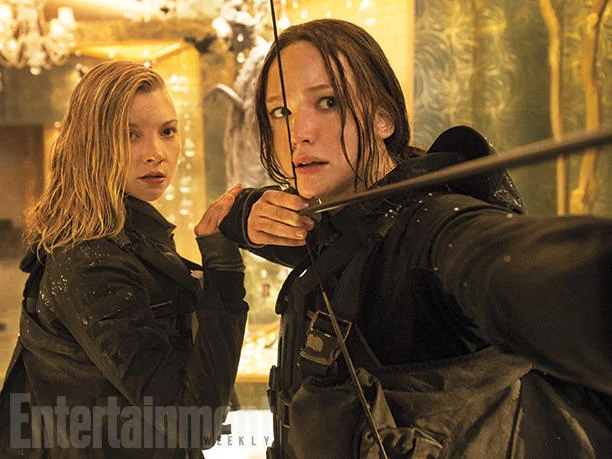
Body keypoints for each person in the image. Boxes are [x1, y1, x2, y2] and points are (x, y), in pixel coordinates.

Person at [217, 19, 612, 458]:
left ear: (383, 118)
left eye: (328, 102)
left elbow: (513, 266)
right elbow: (277, 230)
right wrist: (243, 211)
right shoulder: (334, 223)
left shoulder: (434, 228)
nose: (299, 133)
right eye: (281, 112)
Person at [0, 61, 247, 458]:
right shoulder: (91, 260)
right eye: (129, 135)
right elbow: (194, 423)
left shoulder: (126, 236)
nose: (156, 154)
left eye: (167, 131)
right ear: (91, 144)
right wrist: (224, 270)